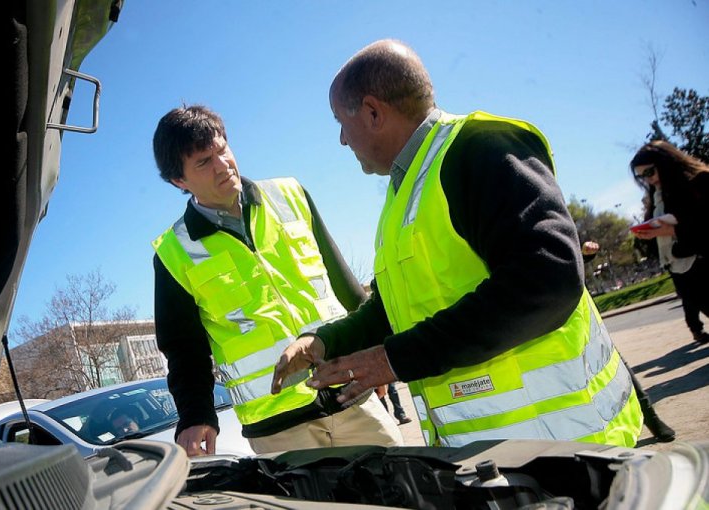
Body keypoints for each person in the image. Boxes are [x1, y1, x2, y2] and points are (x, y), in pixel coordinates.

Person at [272, 39, 643, 448]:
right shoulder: (405, 194)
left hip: (570, 444)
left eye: (341, 121)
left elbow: (547, 279)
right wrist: (323, 342)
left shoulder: (478, 149)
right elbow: (397, 306)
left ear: (374, 112)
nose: (342, 139)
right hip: (501, 459)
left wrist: (392, 360)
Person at [151, 105, 402, 456]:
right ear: (180, 180)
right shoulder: (173, 253)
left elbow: (347, 289)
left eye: (222, 150)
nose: (222, 165)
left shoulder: (290, 195)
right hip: (278, 428)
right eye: (204, 162)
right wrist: (195, 415)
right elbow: (183, 350)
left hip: (351, 394)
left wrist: (378, 356)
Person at [579, 241, 675, 442]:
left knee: (618, 369)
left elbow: (562, 254)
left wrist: (583, 254)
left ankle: (652, 419)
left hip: (581, 317)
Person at [630, 140, 709, 345]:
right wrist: (648, 234)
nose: (648, 180)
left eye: (649, 172)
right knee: (695, 301)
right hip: (678, 261)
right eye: (642, 177)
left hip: (701, 258)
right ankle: (696, 329)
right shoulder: (657, 195)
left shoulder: (699, 181)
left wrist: (672, 230)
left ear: (665, 162)